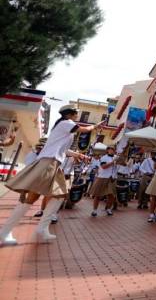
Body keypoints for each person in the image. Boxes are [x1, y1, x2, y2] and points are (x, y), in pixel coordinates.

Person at [0, 105, 96, 245]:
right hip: (49, 163)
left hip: (53, 164)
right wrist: (94, 126)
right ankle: (7, 231)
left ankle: (39, 228)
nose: (77, 116)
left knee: (58, 195)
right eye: (76, 113)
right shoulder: (66, 123)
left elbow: (63, 149)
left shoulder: (63, 127)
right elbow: (85, 129)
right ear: (70, 114)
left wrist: (78, 155)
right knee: (35, 197)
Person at [89, 145, 117, 217]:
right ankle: (94, 210)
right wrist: (113, 162)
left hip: (111, 178)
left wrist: (122, 160)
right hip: (102, 178)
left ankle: (108, 209)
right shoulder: (104, 157)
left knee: (112, 196)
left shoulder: (116, 157)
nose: (111, 150)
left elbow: (124, 164)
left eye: (113, 149)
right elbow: (104, 167)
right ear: (107, 150)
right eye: (110, 149)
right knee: (97, 195)